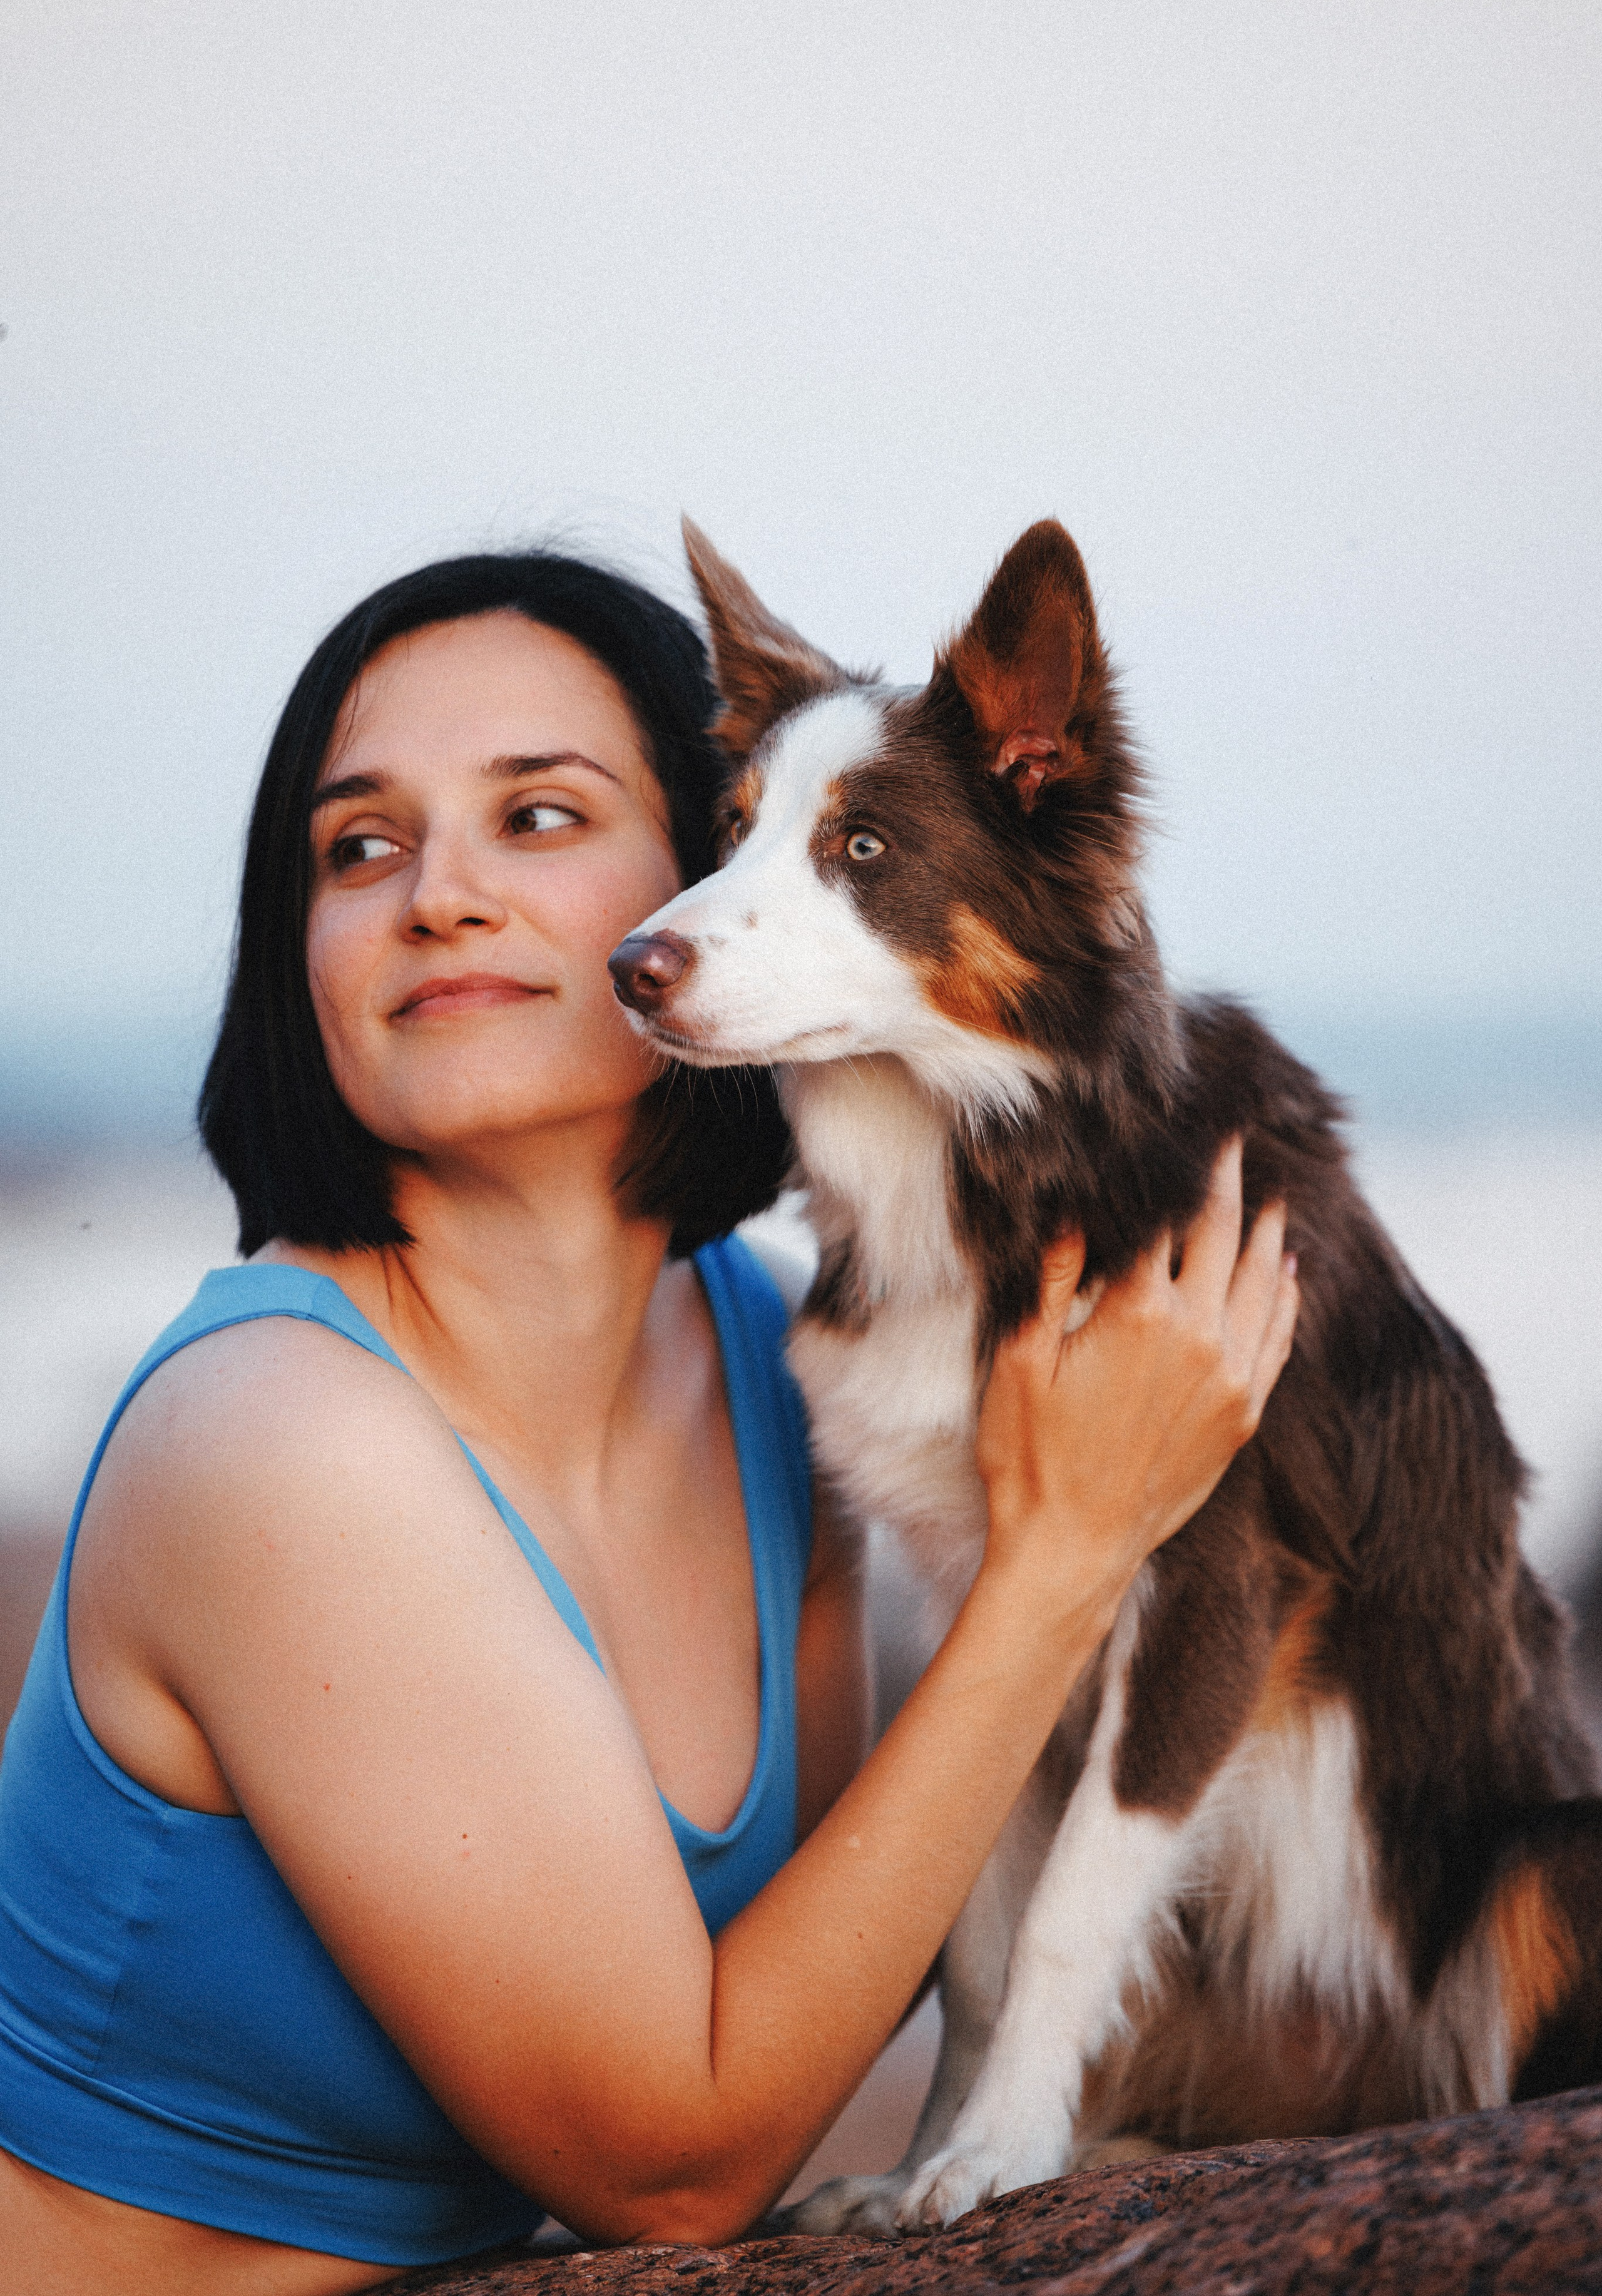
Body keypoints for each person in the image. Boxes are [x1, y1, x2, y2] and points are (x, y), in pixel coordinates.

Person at [0, 551, 1298, 2295]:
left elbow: (842, 1950)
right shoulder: (276, 1440)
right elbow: (676, 2165)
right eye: (358, 847)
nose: (438, 895)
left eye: (536, 816)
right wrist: (1065, 1550)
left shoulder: (782, 1362)